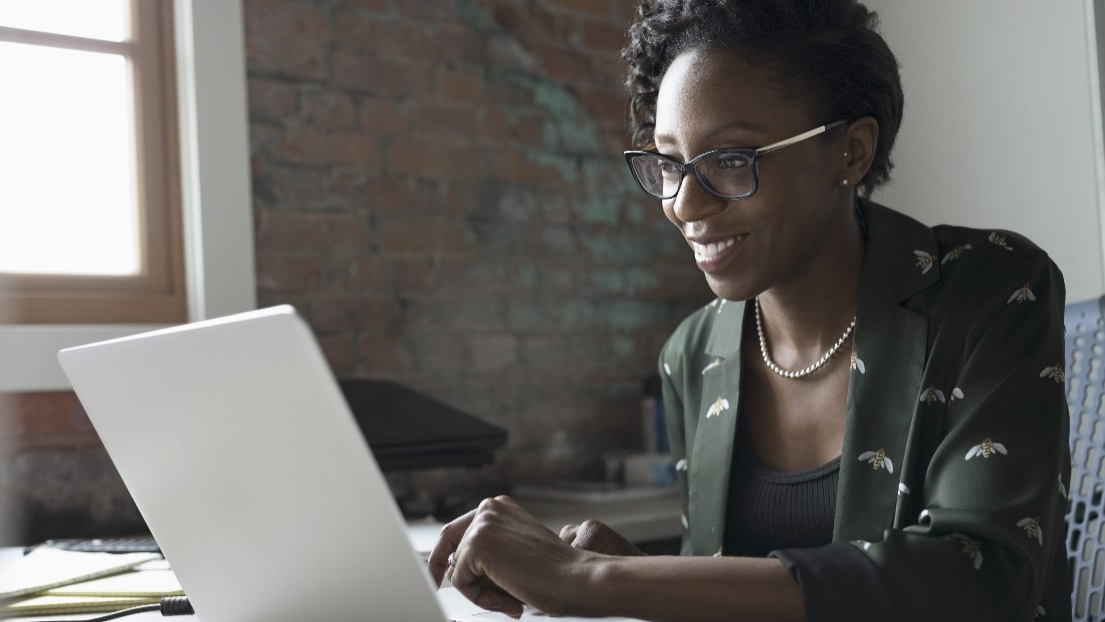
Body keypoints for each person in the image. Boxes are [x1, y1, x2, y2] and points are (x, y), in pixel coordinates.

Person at [428, 1, 1073, 620]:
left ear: (851, 151)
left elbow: (982, 579)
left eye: (731, 161)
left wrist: (592, 580)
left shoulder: (990, 290)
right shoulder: (693, 352)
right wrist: (635, 577)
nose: (683, 205)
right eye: (670, 165)